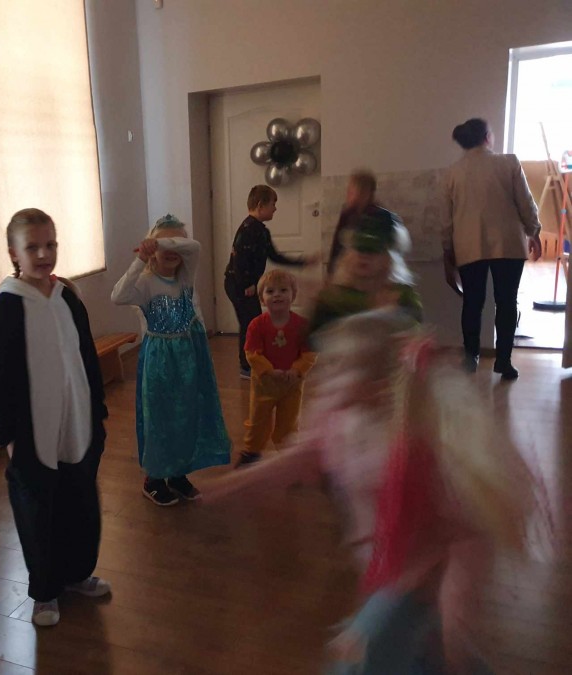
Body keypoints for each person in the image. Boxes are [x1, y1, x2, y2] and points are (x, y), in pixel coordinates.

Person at [205, 310, 540, 672]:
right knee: (425, 656)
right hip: (381, 572)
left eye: (340, 368)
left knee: (354, 663)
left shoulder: (415, 443)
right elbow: (298, 459)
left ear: (378, 385)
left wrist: (455, 607)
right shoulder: (339, 421)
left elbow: (463, 531)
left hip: (416, 580)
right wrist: (235, 483)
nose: (324, 377)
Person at [0, 208, 110, 628]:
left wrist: (98, 413)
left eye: (50, 244)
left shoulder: (68, 298)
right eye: (33, 246)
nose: (43, 254)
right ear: (13, 252)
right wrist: (7, 437)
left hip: (77, 426)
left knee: (81, 503)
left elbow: (86, 357)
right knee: (39, 513)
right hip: (32, 434)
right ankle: (45, 589)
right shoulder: (7, 309)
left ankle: (77, 573)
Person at [112, 214, 231, 506]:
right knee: (160, 419)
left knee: (185, 416)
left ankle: (178, 473)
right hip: (158, 360)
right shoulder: (146, 283)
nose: (172, 249)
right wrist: (142, 256)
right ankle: (154, 479)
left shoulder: (185, 276)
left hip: (187, 358)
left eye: (177, 242)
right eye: (163, 244)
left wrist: (162, 243)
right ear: (151, 250)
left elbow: (195, 247)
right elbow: (118, 296)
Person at [443, 117, 543, 379]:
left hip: (468, 244)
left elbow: (447, 218)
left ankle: (470, 358)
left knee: (472, 303)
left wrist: (447, 251)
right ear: (487, 137)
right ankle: (504, 361)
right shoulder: (508, 163)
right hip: (508, 244)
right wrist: (534, 231)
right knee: (507, 302)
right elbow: (525, 203)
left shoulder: (453, 172)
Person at [224, 185, 318, 379]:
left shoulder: (261, 231)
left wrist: (301, 262)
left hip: (244, 283)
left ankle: (253, 360)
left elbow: (274, 255)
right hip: (238, 284)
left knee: (251, 321)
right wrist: (246, 284)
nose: (275, 208)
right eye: (273, 204)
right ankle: (247, 366)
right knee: (250, 323)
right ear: (261, 205)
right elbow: (239, 258)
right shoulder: (249, 229)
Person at [237, 270, 316, 467]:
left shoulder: (301, 325)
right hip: (264, 385)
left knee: (289, 423)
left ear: (293, 295)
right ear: (262, 299)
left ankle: (288, 455)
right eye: (270, 291)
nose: (277, 295)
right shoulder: (256, 325)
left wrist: (297, 370)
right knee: (258, 420)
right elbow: (252, 353)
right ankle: (252, 451)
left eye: (283, 290)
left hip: (291, 385)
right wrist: (269, 370)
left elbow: (309, 353)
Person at [309, 209, 421, 339]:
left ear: (389, 257)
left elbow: (415, 340)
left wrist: (393, 318)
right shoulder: (334, 299)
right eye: (359, 248)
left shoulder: (403, 297)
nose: (364, 256)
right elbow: (316, 342)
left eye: (373, 250)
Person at [327, 169, 393, 275]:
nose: (347, 194)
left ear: (365, 193)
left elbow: (387, 247)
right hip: (348, 270)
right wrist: (330, 270)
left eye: (351, 191)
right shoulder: (347, 213)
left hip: (373, 272)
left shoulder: (381, 216)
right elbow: (337, 245)